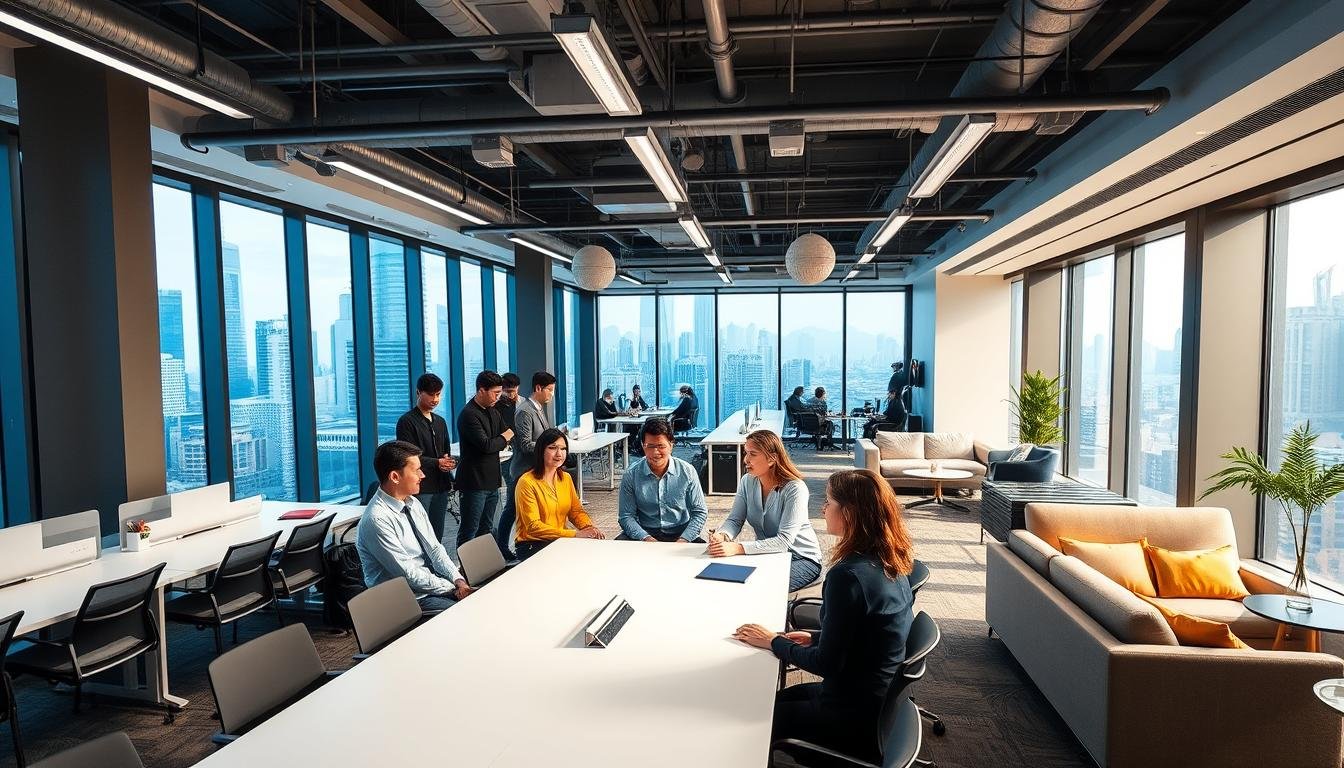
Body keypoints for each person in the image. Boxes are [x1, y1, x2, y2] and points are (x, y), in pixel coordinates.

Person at [733, 469, 915, 762]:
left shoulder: (848, 577)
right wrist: (815, 635)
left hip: (849, 714)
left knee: (754, 716)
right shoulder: (890, 556)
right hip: (872, 698)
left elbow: (826, 663)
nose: (823, 508)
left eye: (829, 502)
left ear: (850, 514)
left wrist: (772, 642)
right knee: (766, 699)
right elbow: (865, 631)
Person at [355, 440, 475, 615]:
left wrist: (458, 580)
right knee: (466, 615)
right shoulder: (377, 519)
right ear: (395, 477)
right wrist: (451, 588)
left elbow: (434, 549)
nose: (422, 475)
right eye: (416, 470)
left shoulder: (412, 502)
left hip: (430, 586)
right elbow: (408, 575)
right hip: (405, 599)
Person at [707, 430, 823, 591]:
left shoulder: (795, 489)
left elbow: (784, 541)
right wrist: (723, 535)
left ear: (772, 458)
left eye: (752, 454)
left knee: (757, 585)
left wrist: (738, 548)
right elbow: (735, 520)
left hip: (801, 558)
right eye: (745, 453)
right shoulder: (747, 481)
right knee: (723, 577)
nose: (745, 460)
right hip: (767, 554)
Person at [514, 428, 605, 560]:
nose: (559, 454)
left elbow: (576, 511)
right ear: (541, 450)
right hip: (533, 544)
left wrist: (589, 528)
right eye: (553, 448)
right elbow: (534, 527)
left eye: (563, 449)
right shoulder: (526, 482)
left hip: (559, 540)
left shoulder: (566, 478)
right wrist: (574, 534)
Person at [618, 418, 708, 542]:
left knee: (704, 553)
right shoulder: (631, 475)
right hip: (645, 531)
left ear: (671, 446)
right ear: (643, 446)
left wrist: (684, 539)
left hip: (680, 531)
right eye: (650, 446)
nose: (655, 452)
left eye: (661, 446)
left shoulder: (687, 471)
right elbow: (626, 516)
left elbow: (700, 512)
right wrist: (645, 538)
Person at [394, 373, 458, 543]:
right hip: (420, 487)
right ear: (418, 393)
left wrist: (447, 462)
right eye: (430, 394)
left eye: (438, 394)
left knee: (437, 534)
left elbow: (445, 451)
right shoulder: (407, 421)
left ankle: (436, 568)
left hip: (441, 485)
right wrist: (437, 462)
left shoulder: (440, 421)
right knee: (420, 534)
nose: (435, 399)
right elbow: (407, 456)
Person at [501, 371, 558, 559]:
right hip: (522, 470)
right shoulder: (525, 410)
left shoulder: (537, 407)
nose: (551, 394)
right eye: (549, 390)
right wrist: (549, 445)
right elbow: (525, 444)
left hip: (534, 470)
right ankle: (504, 547)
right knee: (512, 510)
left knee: (519, 509)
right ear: (538, 388)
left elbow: (542, 435)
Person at [456, 370, 514, 548]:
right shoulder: (469, 414)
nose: (498, 397)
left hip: (491, 480)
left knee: (487, 528)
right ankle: (465, 571)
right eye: (495, 393)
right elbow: (487, 445)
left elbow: (505, 434)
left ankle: (485, 569)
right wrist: (502, 438)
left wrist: (501, 439)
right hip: (474, 481)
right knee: (469, 530)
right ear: (481, 390)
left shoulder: (492, 411)